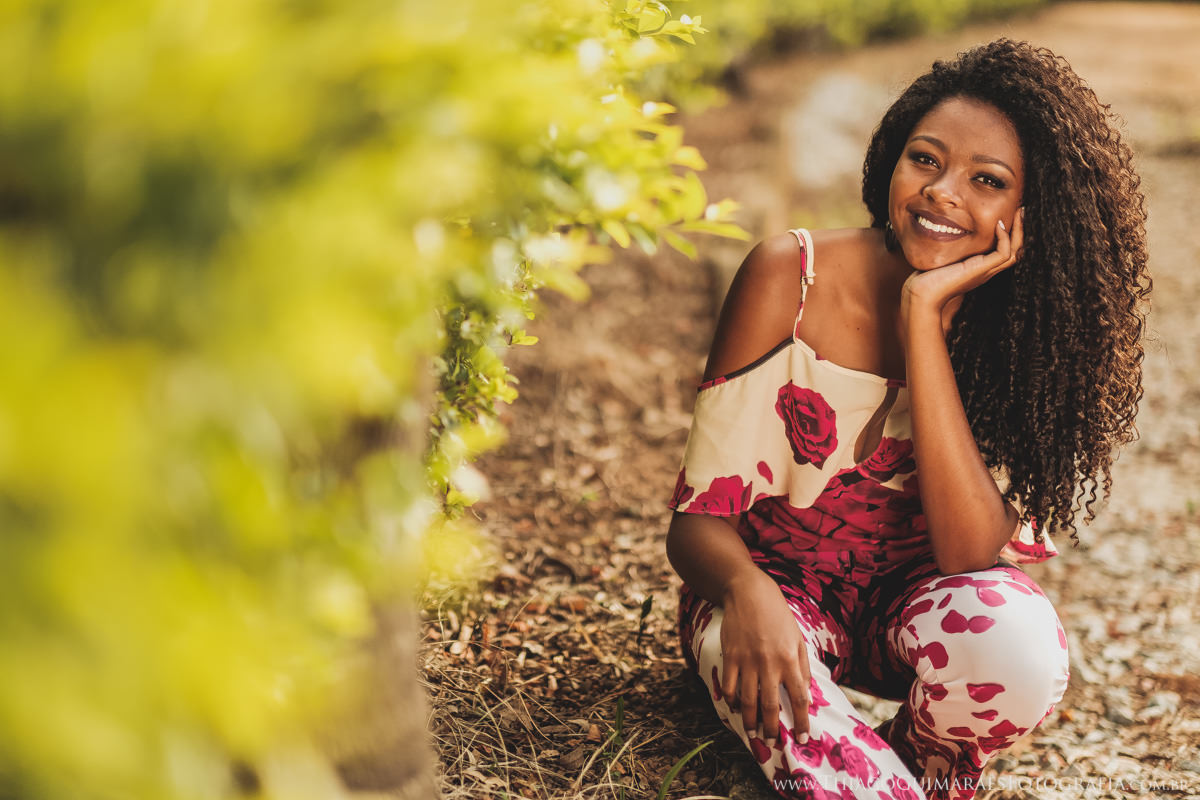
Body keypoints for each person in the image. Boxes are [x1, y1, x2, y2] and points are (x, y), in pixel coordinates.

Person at [665, 39, 1149, 800]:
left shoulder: (1029, 336)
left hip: (909, 611)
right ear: (891, 159)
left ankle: (919, 763)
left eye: (987, 180)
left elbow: (967, 554)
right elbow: (694, 525)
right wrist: (744, 591)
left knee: (1021, 649)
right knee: (773, 678)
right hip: (768, 597)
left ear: (1031, 215)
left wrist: (922, 321)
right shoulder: (789, 277)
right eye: (925, 160)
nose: (942, 193)